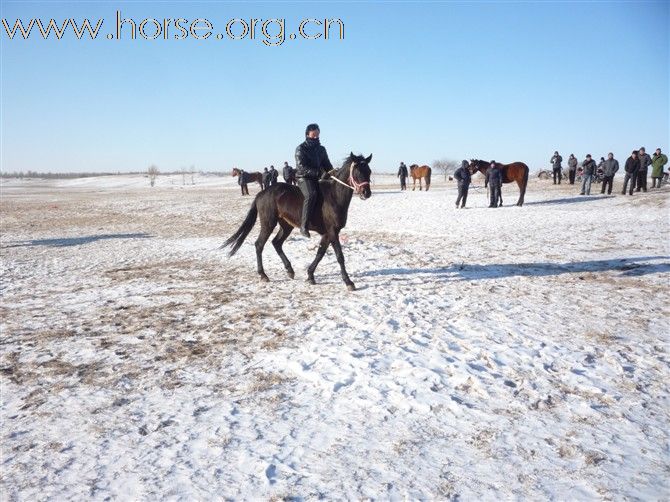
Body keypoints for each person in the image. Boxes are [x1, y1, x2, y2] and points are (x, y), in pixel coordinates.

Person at [295, 123, 333, 237]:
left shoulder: (321, 149)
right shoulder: (300, 148)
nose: (316, 137)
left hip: (317, 178)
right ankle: (304, 225)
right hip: (304, 178)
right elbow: (301, 167)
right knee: (311, 194)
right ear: (307, 134)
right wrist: (319, 173)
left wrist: (333, 173)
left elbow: (327, 165)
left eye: (317, 135)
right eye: (313, 135)